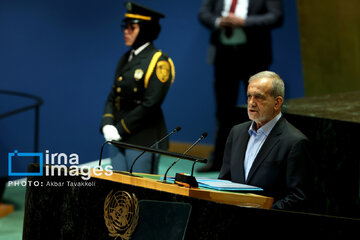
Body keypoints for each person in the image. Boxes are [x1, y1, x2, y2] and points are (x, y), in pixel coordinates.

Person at [197, 0, 284, 172]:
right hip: (224, 55)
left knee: (259, 111)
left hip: (254, 55)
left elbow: (276, 17)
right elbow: (204, 13)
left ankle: (257, 163)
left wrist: (243, 21)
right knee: (223, 111)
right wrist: (218, 21)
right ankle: (220, 161)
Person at [219, 71, 311, 210]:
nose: (251, 103)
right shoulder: (236, 132)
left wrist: (263, 215)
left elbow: (298, 196)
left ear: (277, 102)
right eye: (249, 96)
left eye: (259, 97)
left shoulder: (294, 142)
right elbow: (224, 181)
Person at [101, 2, 175, 174]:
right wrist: (107, 124)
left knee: (138, 192)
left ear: (146, 29)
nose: (126, 31)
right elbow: (113, 96)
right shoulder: (126, 58)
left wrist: (119, 129)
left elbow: (151, 103)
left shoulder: (159, 61)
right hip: (116, 136)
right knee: (118, 191)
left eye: (132, 27)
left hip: (142, 137)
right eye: (125, 27)